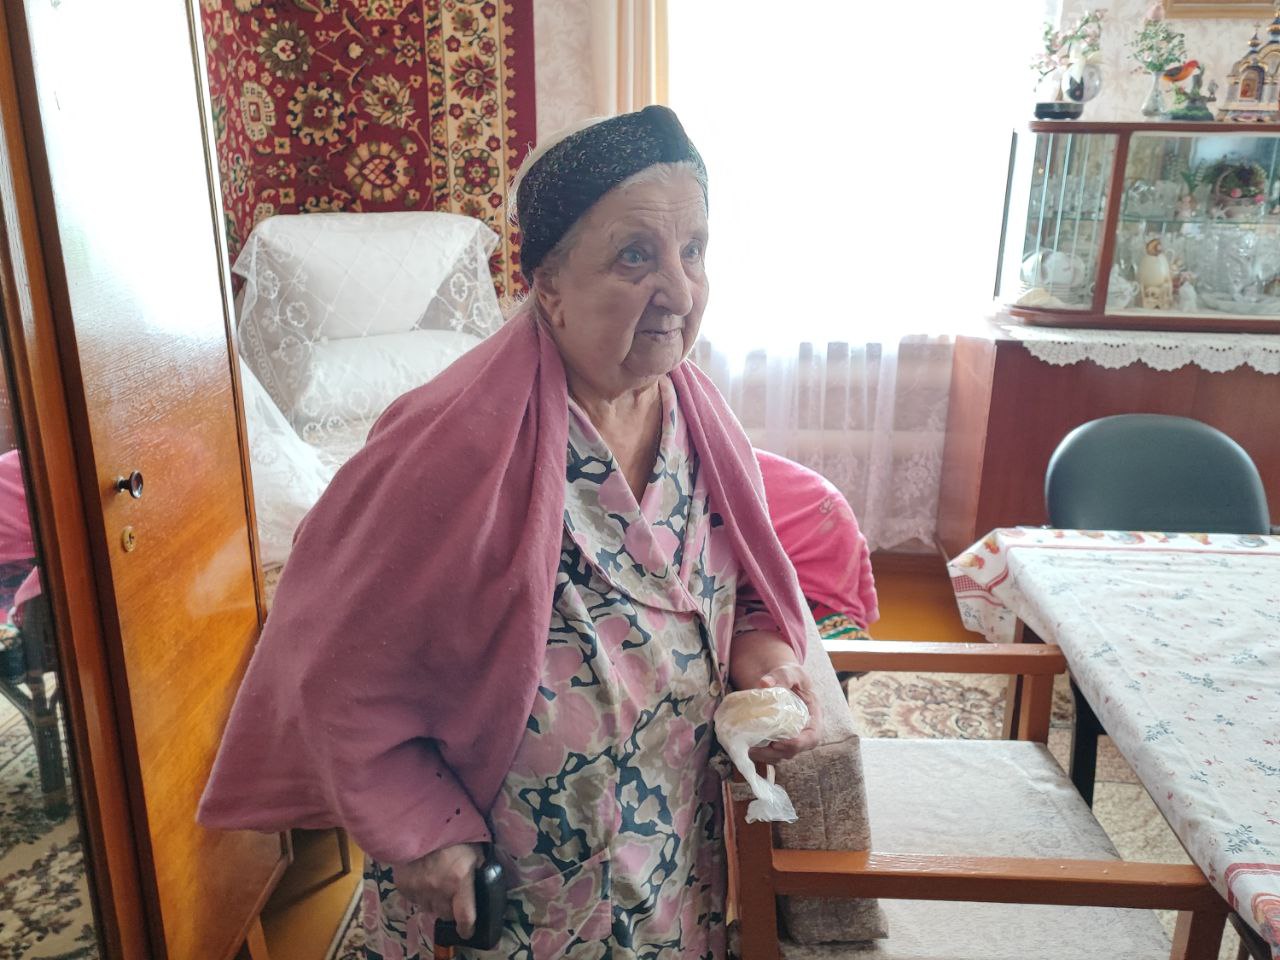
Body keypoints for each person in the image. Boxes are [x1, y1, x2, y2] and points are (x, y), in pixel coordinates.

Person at [199, 105, 821, 958]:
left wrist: (768, 661)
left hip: (671, 858)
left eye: (694, 250)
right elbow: (330, 664)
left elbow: (740, 593)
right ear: (547, 283)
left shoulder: (699, 414)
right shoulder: (448, 439)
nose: (679, 292)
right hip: (510, 887)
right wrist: (419, 824)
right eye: (634, 256)